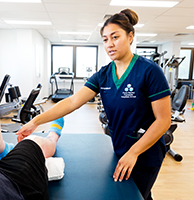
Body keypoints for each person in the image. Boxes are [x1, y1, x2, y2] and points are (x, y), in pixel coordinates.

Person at [17, 8, 171, 200]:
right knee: (133, 194)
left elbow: (163, 120)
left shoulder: (149, 71)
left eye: (115, 37)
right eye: (105, 39)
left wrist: (134, 152)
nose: (110, 44)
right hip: (120, 147)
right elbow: (72, 101)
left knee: (135, 195)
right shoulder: (104, 74)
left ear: (130, 37)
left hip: (145, 153)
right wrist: (35, 122)